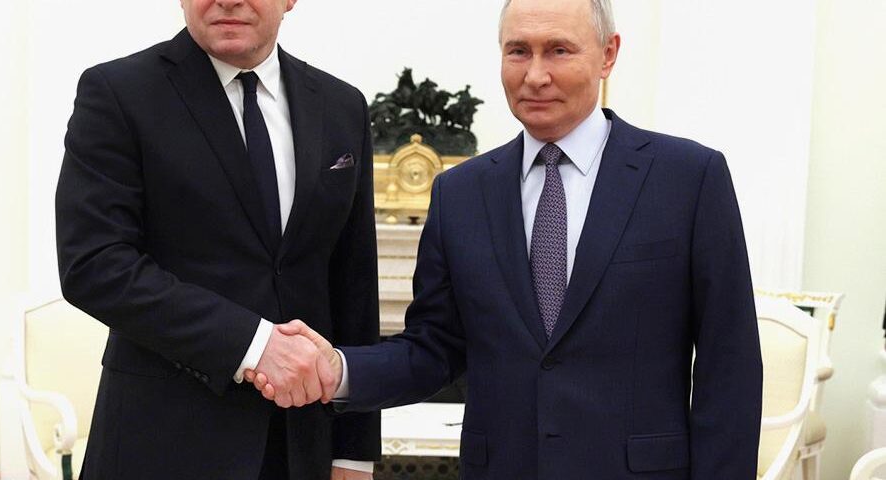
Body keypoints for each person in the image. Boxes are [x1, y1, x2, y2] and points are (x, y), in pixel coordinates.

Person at [251, 0, 763, 477]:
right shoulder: (459, 194)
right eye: (518, 51)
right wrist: (338, 369)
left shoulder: (688, 179)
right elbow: (434, 348)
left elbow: (730, 367)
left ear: (608, 55)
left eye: (558, 50)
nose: (535, 75)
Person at [54, 0, 380, 478]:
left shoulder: (342, 105)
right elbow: (94, 265)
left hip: (301, 446)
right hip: (161, 443)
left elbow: (354, 285)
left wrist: (353, 452)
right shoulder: (118, 93)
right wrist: (253, 344)